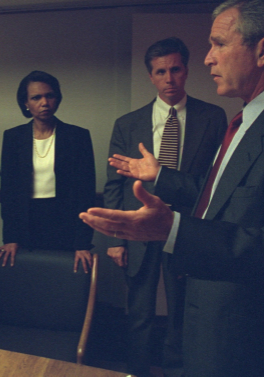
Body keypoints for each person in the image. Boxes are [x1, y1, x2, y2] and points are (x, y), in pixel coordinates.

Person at [80, 0, 264, 376]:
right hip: (212, 324)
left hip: (252, 344)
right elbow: (227, 200)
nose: (207, 57)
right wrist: (160, 177)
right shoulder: (248, 119)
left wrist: (173, 229)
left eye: (219, 43)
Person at [104, 37, 227, 377]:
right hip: (140, 228)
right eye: (161, 72)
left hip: (185, 228)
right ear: (151, 76)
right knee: (139, 312)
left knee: (182, 312)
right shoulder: (127, 124)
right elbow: (114, 184)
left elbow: (214, 181)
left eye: (175, 69)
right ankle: (137, 371)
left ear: (186, 70)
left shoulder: (213, 117)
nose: (169, 79)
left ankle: (177, 371)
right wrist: (116, 238)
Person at [0, 70, 96, 273]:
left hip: (65, 222)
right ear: (25, 102)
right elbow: (9, 191)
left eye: (49, 96)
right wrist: (11, 238)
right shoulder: (13, 137)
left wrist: (83, 243)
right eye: (36, 97)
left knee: (63, 280)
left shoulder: (77, 136)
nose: (44, 102)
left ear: (57, 99)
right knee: (28, 281)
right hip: (27, 222)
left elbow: (86, 192)